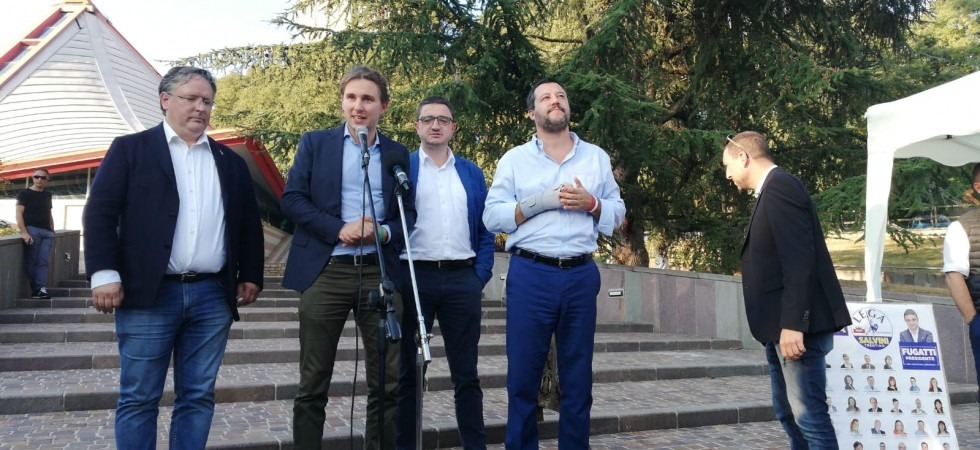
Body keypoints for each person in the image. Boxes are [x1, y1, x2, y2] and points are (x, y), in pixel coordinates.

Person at [82, 66, 265, 449]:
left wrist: (250, 272)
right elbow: (100, 214)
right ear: (165, 100)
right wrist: (103, 273)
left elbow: (247, 222)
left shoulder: (229, 161)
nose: (200, 107)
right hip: (148, 294)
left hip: (211, 296)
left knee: (197, 396)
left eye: (207, 101)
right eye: (191, 98)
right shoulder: (130, 150)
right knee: (139, 397)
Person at [483, 78, 625, 449]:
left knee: (578, 379)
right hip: (531, 273)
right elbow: (492, 217)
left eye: (561, 95)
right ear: (532, 112)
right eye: (546, 97)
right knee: (523, 378)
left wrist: (593, 204)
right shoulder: (515, 159)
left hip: (580, 274)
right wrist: (538, 203)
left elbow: (618, 212)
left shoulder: (595, 157)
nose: (555, 100)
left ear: (568, 108)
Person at [281, 65, 416, 450]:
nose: (359, 106)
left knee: (387, 384)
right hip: (326, 270)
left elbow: (407, 213)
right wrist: (339, 228)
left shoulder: (396, 153)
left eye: (368, 99)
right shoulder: (315, 143)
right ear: (342, 102)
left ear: (383, 106)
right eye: (351, 97)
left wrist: (383, 231)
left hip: (379, 272)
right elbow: (292, 199)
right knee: (312, 383)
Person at [721, 131, 851, 449]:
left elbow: (799, 259)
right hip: (778, 329)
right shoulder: (773, 190)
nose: (727, 175)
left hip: (795, 330)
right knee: (789, 414)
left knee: (809, 416)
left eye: (727, 166)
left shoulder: (781, 187)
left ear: (744, 157)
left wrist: (794, 324)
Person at [395, 96, 493, 450]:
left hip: (462, 279)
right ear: (416, 126)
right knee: (409, 374)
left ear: (453, 127)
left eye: (443, 119)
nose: (435, 125)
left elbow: (485, 227)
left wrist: (479, 275)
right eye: (427, 119)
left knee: (466, 375)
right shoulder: (401, 168)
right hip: (413, 279)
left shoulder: (471, 172)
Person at [16, 167, 55, 299]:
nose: (39, 179)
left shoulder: (47, 195)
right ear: (32, 178)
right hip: (32, 230)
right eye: (36, 177)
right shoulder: (24, 194)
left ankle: (40, 288)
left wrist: (52, 230)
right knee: (32, 260)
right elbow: (19, 214)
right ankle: (37, 289)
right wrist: (24, 232)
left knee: (43, 261)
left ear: (47, 180)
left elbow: (49, 213)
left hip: (47, 233)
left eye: (43, 177)